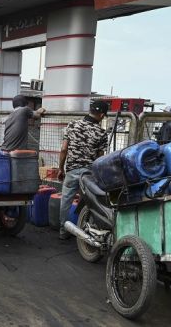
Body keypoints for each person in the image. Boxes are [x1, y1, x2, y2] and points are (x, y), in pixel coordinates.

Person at [57, 100, 109, 240]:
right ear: (102, 115)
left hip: (72, 170)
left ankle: (63, 230)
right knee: (90, 201)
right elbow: (100, 159)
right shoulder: (101, 133)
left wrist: (60, 168)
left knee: (66, 200)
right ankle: (86, 229)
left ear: (90, 110)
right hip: (89, 174)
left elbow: (63, 149)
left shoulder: (72, 125)